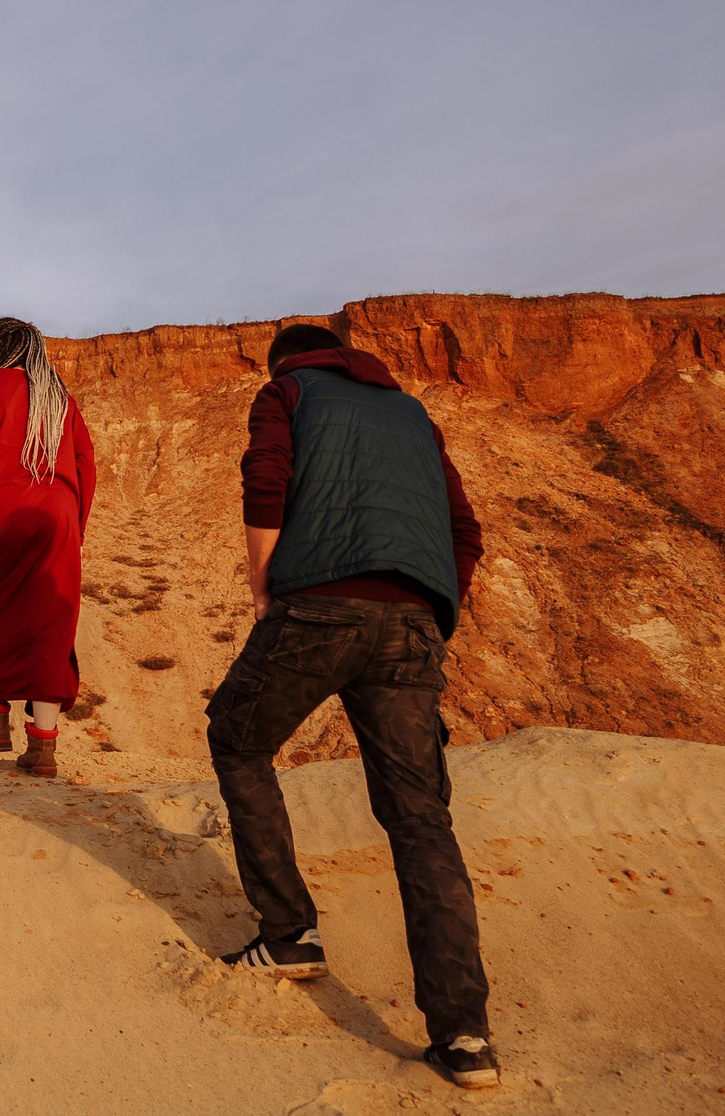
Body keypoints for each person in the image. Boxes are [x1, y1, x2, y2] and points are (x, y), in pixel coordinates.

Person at [209, 322, 499, 1092]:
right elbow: (464, 529)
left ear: (285, 361)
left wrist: (264, 582)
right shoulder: (413, 415)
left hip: (318, 609)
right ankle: (465, 1034)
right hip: (412, 624)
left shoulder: (286, 390)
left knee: (237, 741)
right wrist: (434, 606)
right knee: (419, 816)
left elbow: (266, 476)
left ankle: (289, 932)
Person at [0, 315, 96, 778]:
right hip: (57, 517)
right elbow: (85, 466)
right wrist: (74, 525)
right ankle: (43, 749)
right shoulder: (61, 400)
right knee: (49, 626)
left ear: (0, 349)